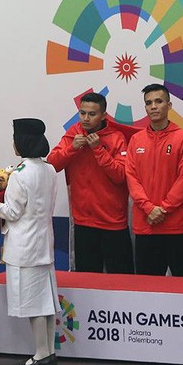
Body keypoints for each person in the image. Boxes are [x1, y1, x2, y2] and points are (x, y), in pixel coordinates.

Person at [0, 118, 60, 365]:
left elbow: (13, 212)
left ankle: (40, 354)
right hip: (43, 241)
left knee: (33, 303)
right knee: (45, 301)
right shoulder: (49, 169)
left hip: (24, 245)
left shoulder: (20, 174)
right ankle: (48, 351)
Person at [47, 93, 133, 274]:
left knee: (120, 279)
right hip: (84, 222)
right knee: (87, 279)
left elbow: (120, 176)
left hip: (113, 222)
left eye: (92, 114)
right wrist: (71, 149)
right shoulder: (73, 134)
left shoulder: (116, 138)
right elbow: (52, 164)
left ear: (103, 115)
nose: (86, 118)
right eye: (82, 113)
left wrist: (98, 150)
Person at [126, 84, 183, 277]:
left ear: (169, 105)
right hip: (146, 226)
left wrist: (164, 209)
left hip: (177, 228)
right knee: (147, 291)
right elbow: (132, 178)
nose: (154, 106)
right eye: (149, 103)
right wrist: (149, 208)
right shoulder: (136, 140)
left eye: (159, 101)